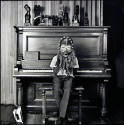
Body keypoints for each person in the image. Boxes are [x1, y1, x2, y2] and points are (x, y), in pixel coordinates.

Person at [50, 36, 79, 124]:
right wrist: (58, 69)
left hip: (68, 77)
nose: (65, 50)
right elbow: (52, 67)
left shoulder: (74, 58)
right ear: (60, 48)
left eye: (68, 47)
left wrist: (71, 68)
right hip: (58, 77)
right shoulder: (55, 57)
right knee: (57, 90)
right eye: (63, 47)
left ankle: (61, 116)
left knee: (67, 91)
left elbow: (76, 69)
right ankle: (64, 115)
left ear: (71, 48)